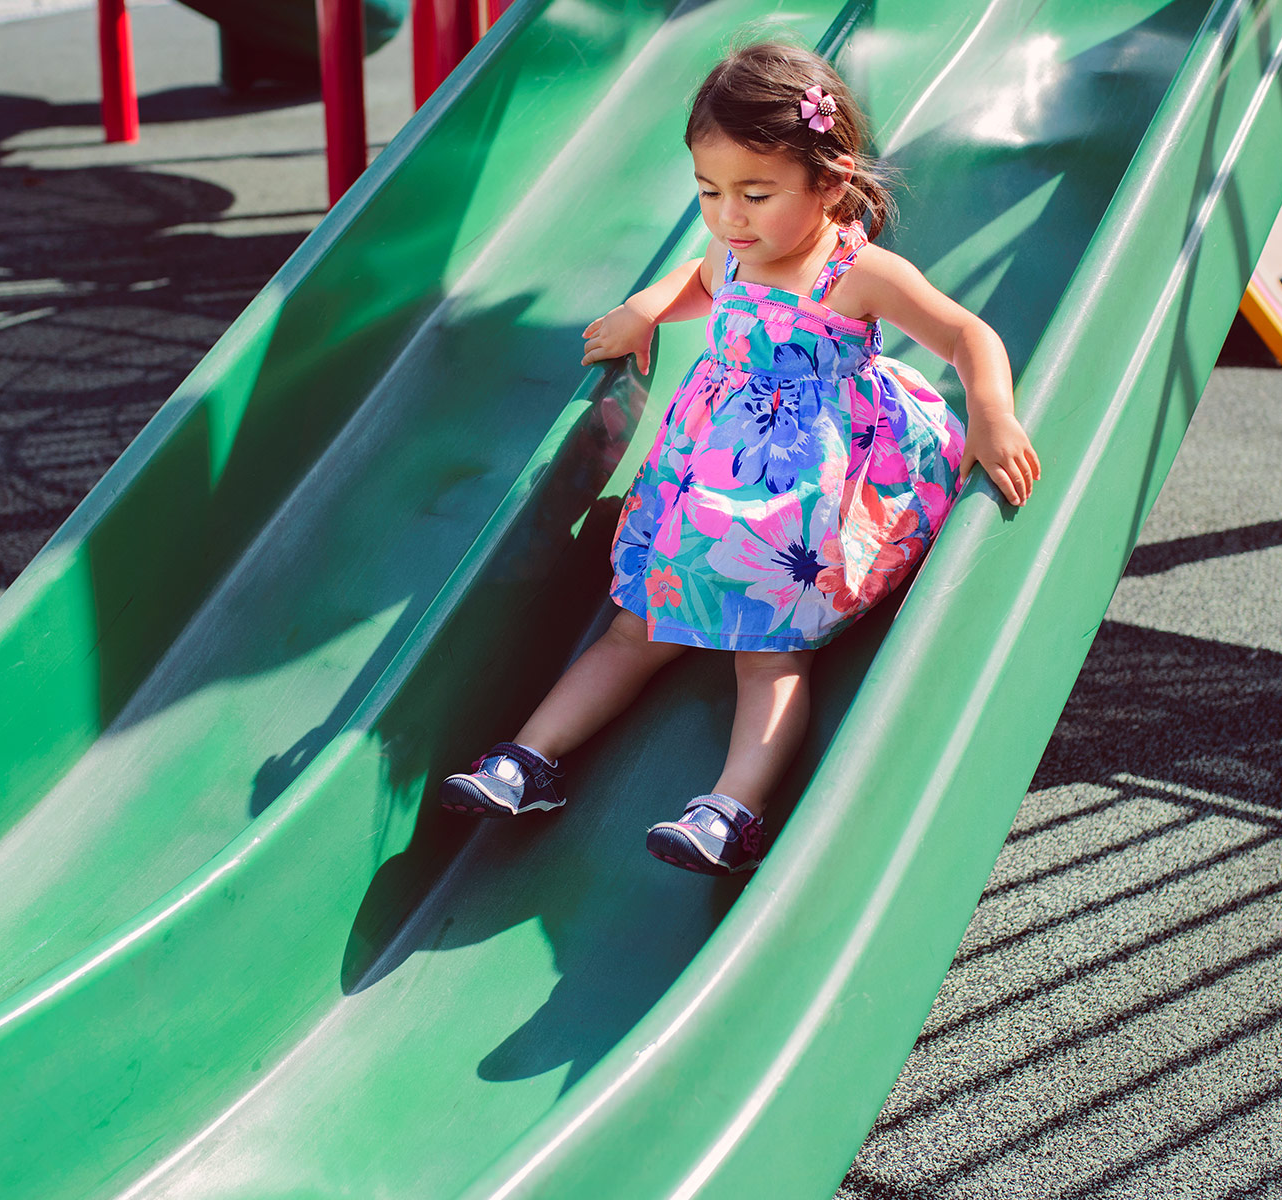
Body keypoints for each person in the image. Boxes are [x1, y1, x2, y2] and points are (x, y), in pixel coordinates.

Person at [437, 39, 1040, 875]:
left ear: (829, 182)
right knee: (634, 626)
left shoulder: (856, 272)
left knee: (770, 653)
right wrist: (644, 310)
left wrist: (993, 415)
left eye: (756, 194)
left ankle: (733, 809)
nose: (729, 216)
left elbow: (967, 333)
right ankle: (529, 760)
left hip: (801, 496)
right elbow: (702, 276)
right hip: (707, 481)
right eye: (709, 191)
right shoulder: (731, 249)